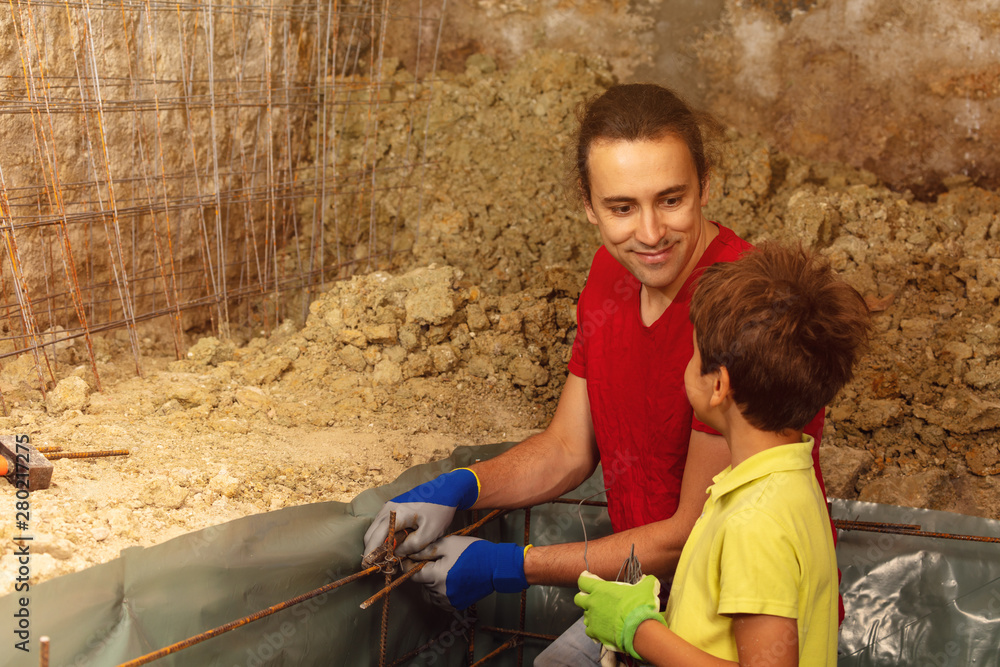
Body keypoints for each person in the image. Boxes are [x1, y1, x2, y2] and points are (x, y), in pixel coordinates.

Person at [362, 83, 827, 664]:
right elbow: (567, 447)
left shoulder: (739, 312)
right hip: (641, 597)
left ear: (706, 186)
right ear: (589, 204)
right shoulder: (610, 273)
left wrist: (515, 566)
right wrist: (463, 486)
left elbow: (690, 530)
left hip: (719, 618)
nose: (651, 234)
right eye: (622, 207)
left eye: (672, 200)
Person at [573, 243, 870, 665]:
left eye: (693, 356)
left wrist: (637, 630)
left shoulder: (755, 521)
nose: (686, 367)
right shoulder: (784, 481)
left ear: (718, 386)